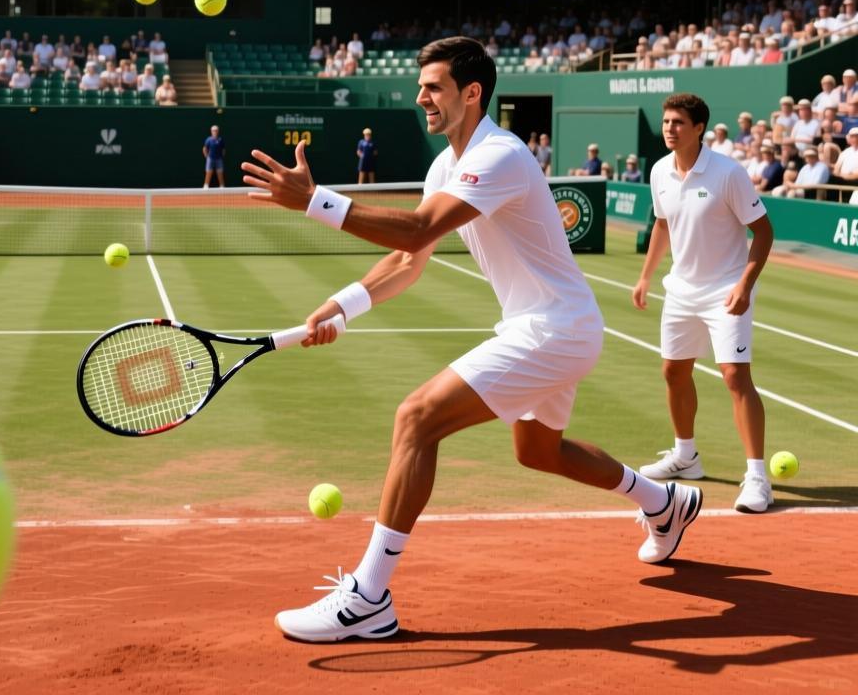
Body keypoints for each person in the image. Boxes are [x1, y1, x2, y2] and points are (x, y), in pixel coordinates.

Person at [243, 37, 702, 643]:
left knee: (417, 418)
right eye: (421, 86)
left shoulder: (501, 154)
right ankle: (661, 503)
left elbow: (418, 226)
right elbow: (411, 258)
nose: (420, 97)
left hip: (555, 327)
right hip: (545, 325)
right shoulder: (445, 165)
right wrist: (343, 306)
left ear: (471, 93)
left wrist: (316, 202)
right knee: (539, 451)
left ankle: (368, 597)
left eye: (433, 87)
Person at [633, 93, 774, 515]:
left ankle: (757, 478)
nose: (669, 128)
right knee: (674, 371)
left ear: (699, 130)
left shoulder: (728, 174)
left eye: (678, 122)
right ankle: (686, 456)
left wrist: (745, 284)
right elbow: (662, 224)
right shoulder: (659, 171)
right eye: (666, 121)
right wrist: (644, 276)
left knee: (734, 377)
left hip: (726, 290)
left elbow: (764, 233)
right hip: (680, 290)